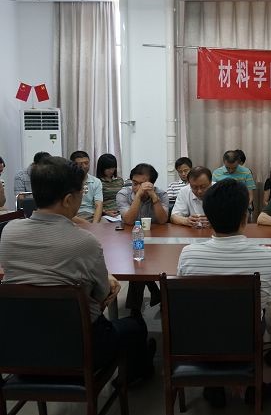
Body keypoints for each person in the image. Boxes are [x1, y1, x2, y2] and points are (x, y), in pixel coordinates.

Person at [0, 156, 155, 384]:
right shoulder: (84, 242)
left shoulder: (9, 232)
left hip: (23, 346)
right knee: (135, 326)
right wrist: (108, 281)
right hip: (80, 348)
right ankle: (134, 376)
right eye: (82, 191)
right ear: (68, 199)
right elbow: (103, 295)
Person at [178, 178, 271, 407]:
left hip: (201, 336)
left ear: (209, 217)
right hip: (246, 336)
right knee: (259, 316)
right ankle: (252, 382)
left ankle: (214, 384)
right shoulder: (269, 256)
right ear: (245, 217)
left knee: (206, 311)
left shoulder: (188, 255)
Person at [116, 163, 169, 314]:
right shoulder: (123, 194)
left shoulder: (161, 194)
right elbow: (128, 220)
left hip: (156, 241)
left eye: (142, 184)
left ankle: (135, 312)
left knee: (140, 266)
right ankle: (154, 295)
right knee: (138, 264)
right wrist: (138, 196)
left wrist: (154, 197)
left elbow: (163, 220)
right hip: (129, 240)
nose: (137, 187)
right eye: (134, 183)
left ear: (152, 184)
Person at [70, 150, 103, 224]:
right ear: (73, 165)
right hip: (73, 216)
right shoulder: (66, 181)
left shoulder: (96, 181)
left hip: (91, 215)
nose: (84, 166)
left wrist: (94, 224)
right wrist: (87, 224)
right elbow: (64, 210)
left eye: (86, 163)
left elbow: (98, 205)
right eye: (80, 164)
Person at [96, 153, 124, 218]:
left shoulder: (119, 180)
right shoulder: (97, 182)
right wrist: (105, 212)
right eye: (108, 168)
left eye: (113, 168)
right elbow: (94, 203)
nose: (111, 171)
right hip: (106, 214)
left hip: (121, 212)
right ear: (102, 168)